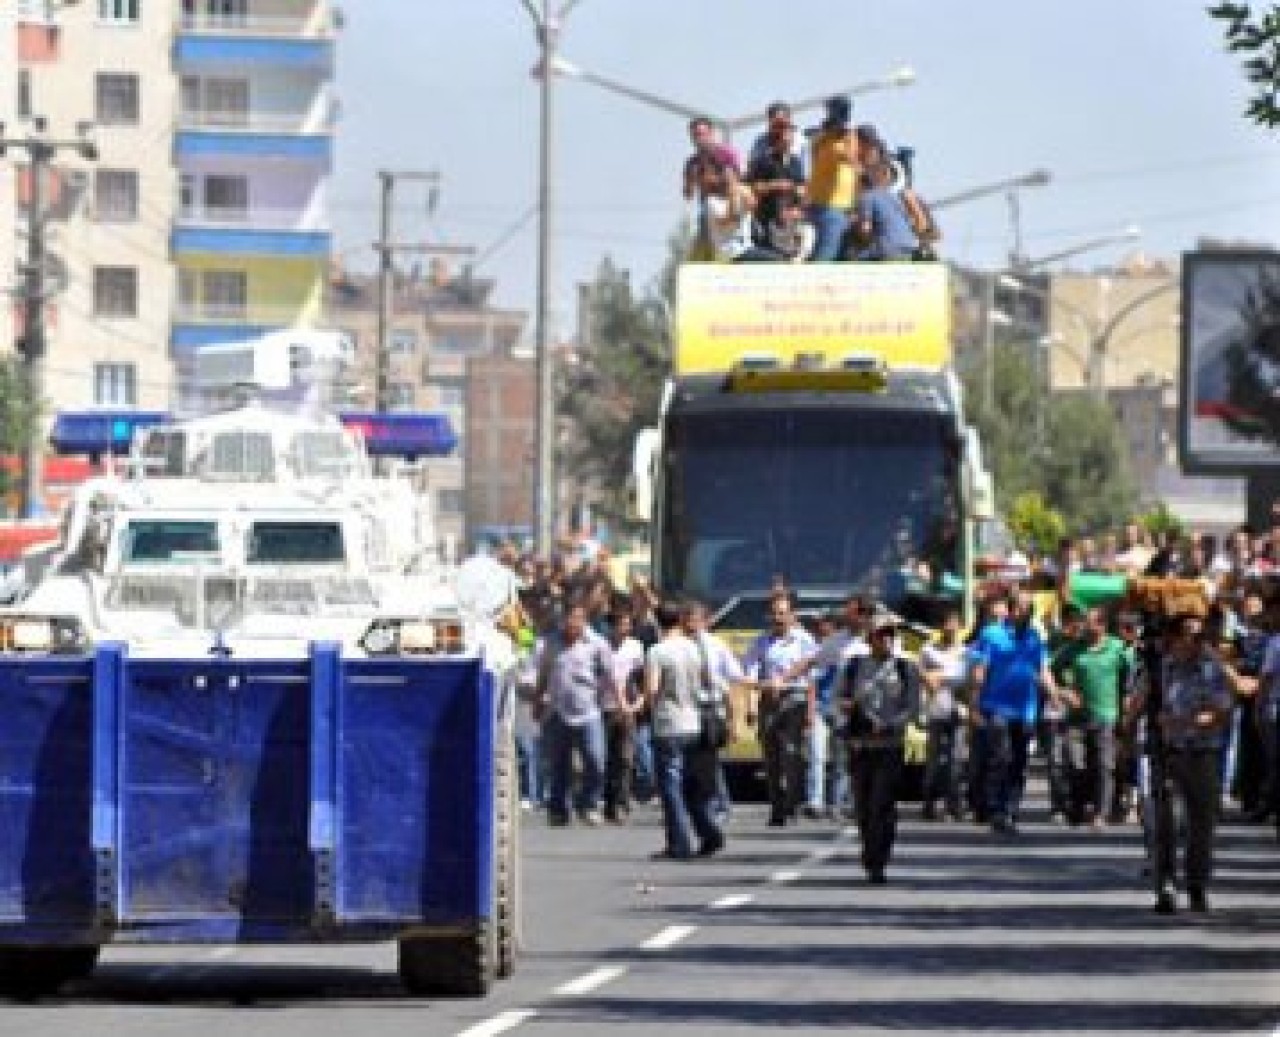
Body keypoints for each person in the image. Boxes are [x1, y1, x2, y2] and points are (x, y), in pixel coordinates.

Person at [1132, 613, 1235, 913]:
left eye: (1200, 635)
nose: (1195, 641)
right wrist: (1129, 729)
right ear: (1174, 638)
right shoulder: (1159, 669)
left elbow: (1221, 711)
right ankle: (1166, 885)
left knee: (1201, 824)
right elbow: (1138, 703)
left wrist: (1184, 721)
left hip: (1203, 754)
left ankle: (1197, 885)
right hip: (1168, 753)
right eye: (1189, 634)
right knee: (1166, 822)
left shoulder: (1211, 668)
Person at [968, 590, 1065, 834]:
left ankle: (1010, 810)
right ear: (1011, 610)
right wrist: (974, 705)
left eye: (1030, 607)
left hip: (1025, 710)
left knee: (1019, 762)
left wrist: (1054, 695)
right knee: (1001, 758)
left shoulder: (1034, 637)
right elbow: (979, 670)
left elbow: (1043, 669)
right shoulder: (991, 634)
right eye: (1023, 607)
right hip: (996, 707)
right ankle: (996, 808)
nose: (1028, 611)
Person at [841, 609, 923, 883]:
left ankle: (878, 860)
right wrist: (844, 712)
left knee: (882, 804)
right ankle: (869, 850)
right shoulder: (854, 667)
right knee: (863, 807)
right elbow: (835, 702)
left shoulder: (905, 669)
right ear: (870, 638)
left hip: (889, 746)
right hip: (860, 746)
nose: (886, 640)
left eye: (890, 635)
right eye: (881, 634)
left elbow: (912, 709)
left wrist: (889, 725)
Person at [646, 602, 724, 860]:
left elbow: (652, 690)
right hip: (694, 721)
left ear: (657, 623)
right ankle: (709, 832)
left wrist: (648, 708)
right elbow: (705, 680)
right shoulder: (693, 648)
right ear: (679, 620)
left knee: (671, 787)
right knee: (692, 786)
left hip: (669, 723)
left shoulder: (657, 651)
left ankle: (679, 843)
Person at [534, 602, 616, 827]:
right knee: (559, 764)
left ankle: (589, 804)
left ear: (585, 620)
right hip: (558, 711)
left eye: (578, 619)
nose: (573, 624)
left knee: (596, 759)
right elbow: (544, 673)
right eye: (569, 619)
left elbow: (610, 675)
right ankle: (558, 809)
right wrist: (538, 700)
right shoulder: (551, 643)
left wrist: (617, 703)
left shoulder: (597, 643)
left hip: (589, 712)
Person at [743, 592, 818, 826]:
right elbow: (750, 672)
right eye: (774, 613)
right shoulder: (761, 641)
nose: (778, 618)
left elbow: (811, 672)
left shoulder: (804, 640)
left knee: (792, 754)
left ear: (792, 615)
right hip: (768, 700)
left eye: (782, 613)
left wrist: (810, 710)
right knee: (771, 758)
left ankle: (792, 804)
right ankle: (777, 807)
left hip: (795, 699)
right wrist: (752, 701)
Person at [1054, 606, 1131, 829]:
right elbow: (1049, 670)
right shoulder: (1073, 648)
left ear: (1102, 625)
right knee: (1075, 762)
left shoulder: (1117, 648)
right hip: (1077, 717)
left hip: (1107, 715)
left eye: (1090, 622)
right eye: (1085, 622)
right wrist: (1063, 691)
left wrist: (1126, 707)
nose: (1085, 626)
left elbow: (1132, 675)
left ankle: (1101, 813)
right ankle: (1078, 807)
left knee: (1104, 765)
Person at [682, 600, 743, 825]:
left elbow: (735, 675)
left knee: (709, 759)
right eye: (687, 620)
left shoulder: (716, 646)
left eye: (695, 620)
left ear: (705, 622)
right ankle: (698, 804)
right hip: (686, 708)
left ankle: (719, 804)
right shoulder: (678, 646)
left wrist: (732, 718)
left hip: (711, 707)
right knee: (691, 762)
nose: (691, 625)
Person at [920, 608, 968, 821]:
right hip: (937, 709)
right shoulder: (929, 651)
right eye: (946, 623)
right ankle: (929, 803)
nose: (950, 628)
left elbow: (968, 681)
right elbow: (924, 677)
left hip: (959, 711)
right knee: (934, 760)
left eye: (954, 623)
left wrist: (940, 676)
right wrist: (937, 678)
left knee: (956, 759)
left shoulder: (966, 652)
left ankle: (954, 804)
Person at [603, 610, 645, 823]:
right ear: (611, 626)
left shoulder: (635, 647)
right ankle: (609, 802)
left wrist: (639, 700)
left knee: (626, 758)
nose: (625, 629)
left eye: (628, 625)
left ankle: (622, 801)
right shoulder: (601, 646)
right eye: (621, 624)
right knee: (606, 758)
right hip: (604, 707)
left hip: (627, 709)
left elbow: (640, 676)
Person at [804, 95, 858, 261]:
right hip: (831, 209)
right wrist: (846, 135)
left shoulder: (827, 140)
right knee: (825, 257)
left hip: (828, 206)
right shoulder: (832, 144)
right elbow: (850, 158)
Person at [745, 108, 807, 245]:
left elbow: (802, 188)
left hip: (791, 223)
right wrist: (774, 185)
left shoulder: (796, 162)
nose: (789, 137)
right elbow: (752, 188)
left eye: (791, 132)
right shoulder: (763, 161)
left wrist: (796, 209)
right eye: (785, 133)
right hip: (766, 221)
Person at [846, 159, 919, 261]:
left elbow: (865, 229)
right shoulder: (895, 197)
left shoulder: (868, 197)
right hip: (908, 248)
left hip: (886, 250)